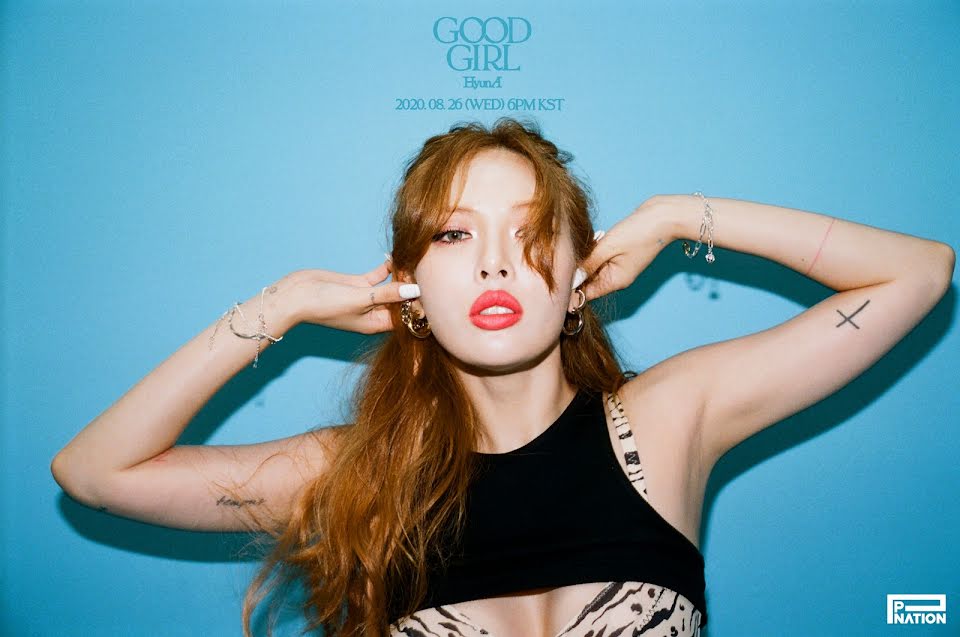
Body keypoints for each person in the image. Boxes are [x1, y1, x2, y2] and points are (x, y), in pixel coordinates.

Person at [51, 117, 955, 637]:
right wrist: (281, 305)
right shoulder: (356, 474)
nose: (493, 262)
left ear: (577, 278)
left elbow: (920, 272)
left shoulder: (668, 420)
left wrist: (680, 215)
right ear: (410, 284)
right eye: (454, 234)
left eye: (531, 233)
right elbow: (94, 472)